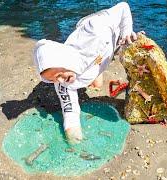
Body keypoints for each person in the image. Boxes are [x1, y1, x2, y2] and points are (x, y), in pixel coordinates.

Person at [33, 2, 143, 144]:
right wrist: (73, 141)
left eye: (59, 75)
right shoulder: (62, 84)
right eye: (53, 80)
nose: (60, 81)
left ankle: (100, 62)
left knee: (122, 53)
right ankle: (97, 68)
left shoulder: (95, 29)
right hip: (97, 59)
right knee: (97, 84)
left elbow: (123, 7)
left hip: (106, 35)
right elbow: (70, 114)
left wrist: (126, 31)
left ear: (63, 60)